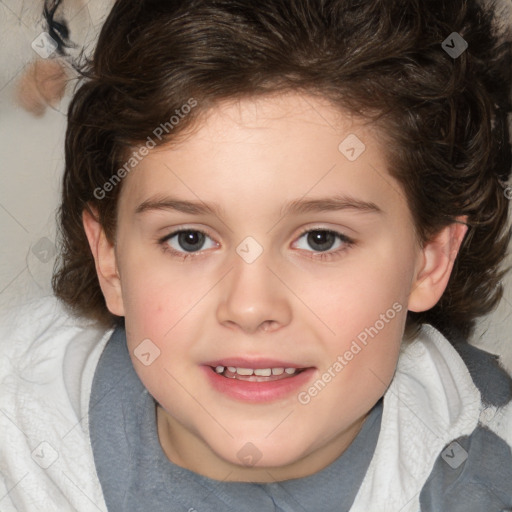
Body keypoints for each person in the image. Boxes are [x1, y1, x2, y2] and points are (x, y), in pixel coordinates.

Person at [1, 0, 512, 510]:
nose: (249, 307)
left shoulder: (486, 474)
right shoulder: (15, 427)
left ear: (430, 259)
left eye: (321, 240)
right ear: (109, 259)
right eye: (190, 239)